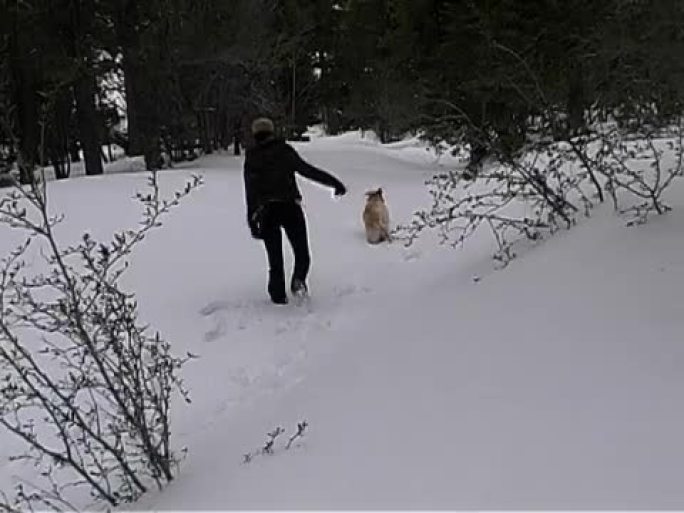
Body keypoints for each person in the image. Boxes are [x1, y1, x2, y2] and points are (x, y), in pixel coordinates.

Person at [243, 117, 347, 305]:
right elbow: (308, 170)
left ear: (255, 134)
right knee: (302, 253)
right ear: (272, 131)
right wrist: (334, 182)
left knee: (275, 259)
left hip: (266, 211)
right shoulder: (284, 151)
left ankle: (278, 297)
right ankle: (298, 281)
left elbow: (250, 191)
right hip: (290, 207)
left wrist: (251, 219)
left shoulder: (252, 157)